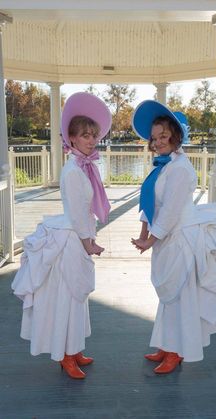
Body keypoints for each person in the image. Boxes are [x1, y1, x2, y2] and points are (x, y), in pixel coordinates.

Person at [12, 92, 112, 379]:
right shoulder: (73, 170)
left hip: (79, 235)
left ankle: (76, 348)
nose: (91, 140)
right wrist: (88, 243)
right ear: (72, 138)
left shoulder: (86, 165)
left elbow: (86, 210)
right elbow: (80, 213)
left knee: (78, 296)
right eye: (85, 135)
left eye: (93, 135)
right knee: (69, 295)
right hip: (72, 239)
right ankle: (65, 356)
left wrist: (88, 239)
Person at [131, 100, 216, 374]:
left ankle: (177, 352)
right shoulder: (163, 167)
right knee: (168, 296)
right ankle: (165, 345)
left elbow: (172, 211)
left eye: (164, 136)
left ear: (176, 135)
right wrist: (144, 234)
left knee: (177, 295)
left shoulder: (181, 169)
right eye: (154, 137)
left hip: (180, 240)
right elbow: (150, 202)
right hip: (166, 240)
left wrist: (151, 239)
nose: (159, 141)